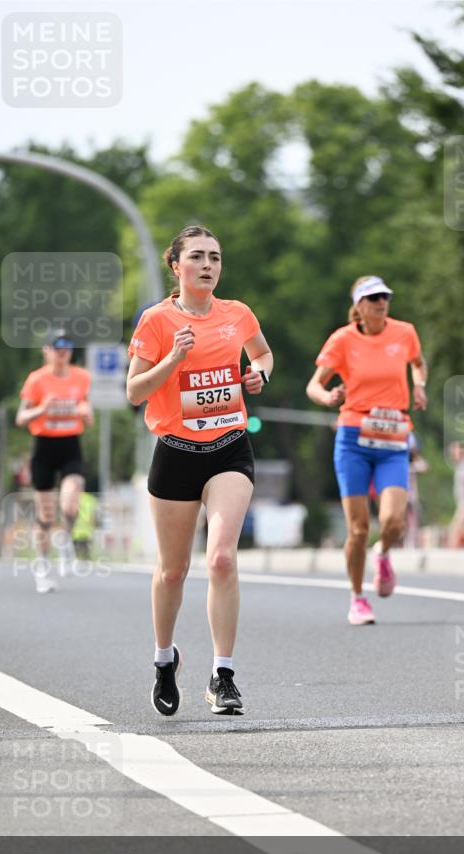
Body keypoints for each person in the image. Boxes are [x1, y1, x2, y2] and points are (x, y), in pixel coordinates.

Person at [127, 225, 272, 717]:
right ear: (176, 266)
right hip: (175, 452)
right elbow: (135, 391)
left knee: (222, 559)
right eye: (197, 257)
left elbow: (263, 354)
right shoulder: (157, 320)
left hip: (229, 447)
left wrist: (259, 374)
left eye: (215, 257)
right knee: (173, 571)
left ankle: (223, 675)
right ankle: (165, 660)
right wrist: (174, 358)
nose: (208, 265)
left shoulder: (237, 314)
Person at [306, 275, 427, 624]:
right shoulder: (342, 340)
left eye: (384, 296)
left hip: (392, 440)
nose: (380, 302)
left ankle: (384, 553)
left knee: (393, 521)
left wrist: (419, 387)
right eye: (372, 298)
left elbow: (418, 364)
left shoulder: (404, 332)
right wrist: (328, 397)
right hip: (353, 439)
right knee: (357, 529)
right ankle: (358, 598)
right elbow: (314, 385)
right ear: (358, 306)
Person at [16, 329, 93, 592]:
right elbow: (21, 418)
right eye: (57, 349)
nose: (62, 354)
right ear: (46, 352)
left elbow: (87, 413)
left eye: (67, 349)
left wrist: (85, 412)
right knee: (45, 515)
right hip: (44, 447)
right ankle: (42, 567)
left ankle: (65, 542)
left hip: (70, 444)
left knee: (71, 498)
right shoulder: (36, 380)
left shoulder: (82, 377)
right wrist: (42, 409)